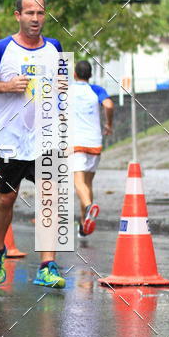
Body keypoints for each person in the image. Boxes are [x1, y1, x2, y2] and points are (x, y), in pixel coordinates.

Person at [0, 0, 66, 289]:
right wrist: (6, 86)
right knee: (6, 199)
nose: (35, 19)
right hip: (11, 139)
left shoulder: (55, 48)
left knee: (50, 196)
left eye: (40, 13)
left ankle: (47, 265)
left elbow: (62, 83)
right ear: (18, 16)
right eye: (29, 13)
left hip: (46, 137)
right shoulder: (1, 49)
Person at [71, 60, 114, 236]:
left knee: (78, 182)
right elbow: (109, 104)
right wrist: (108, 124)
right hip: (95, 142)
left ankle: (89, 208)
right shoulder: (96, 90)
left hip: (75, 142)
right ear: (90, 75)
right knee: (87, 184)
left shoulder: (67, 90)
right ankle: (84, 224)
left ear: (75, 74)